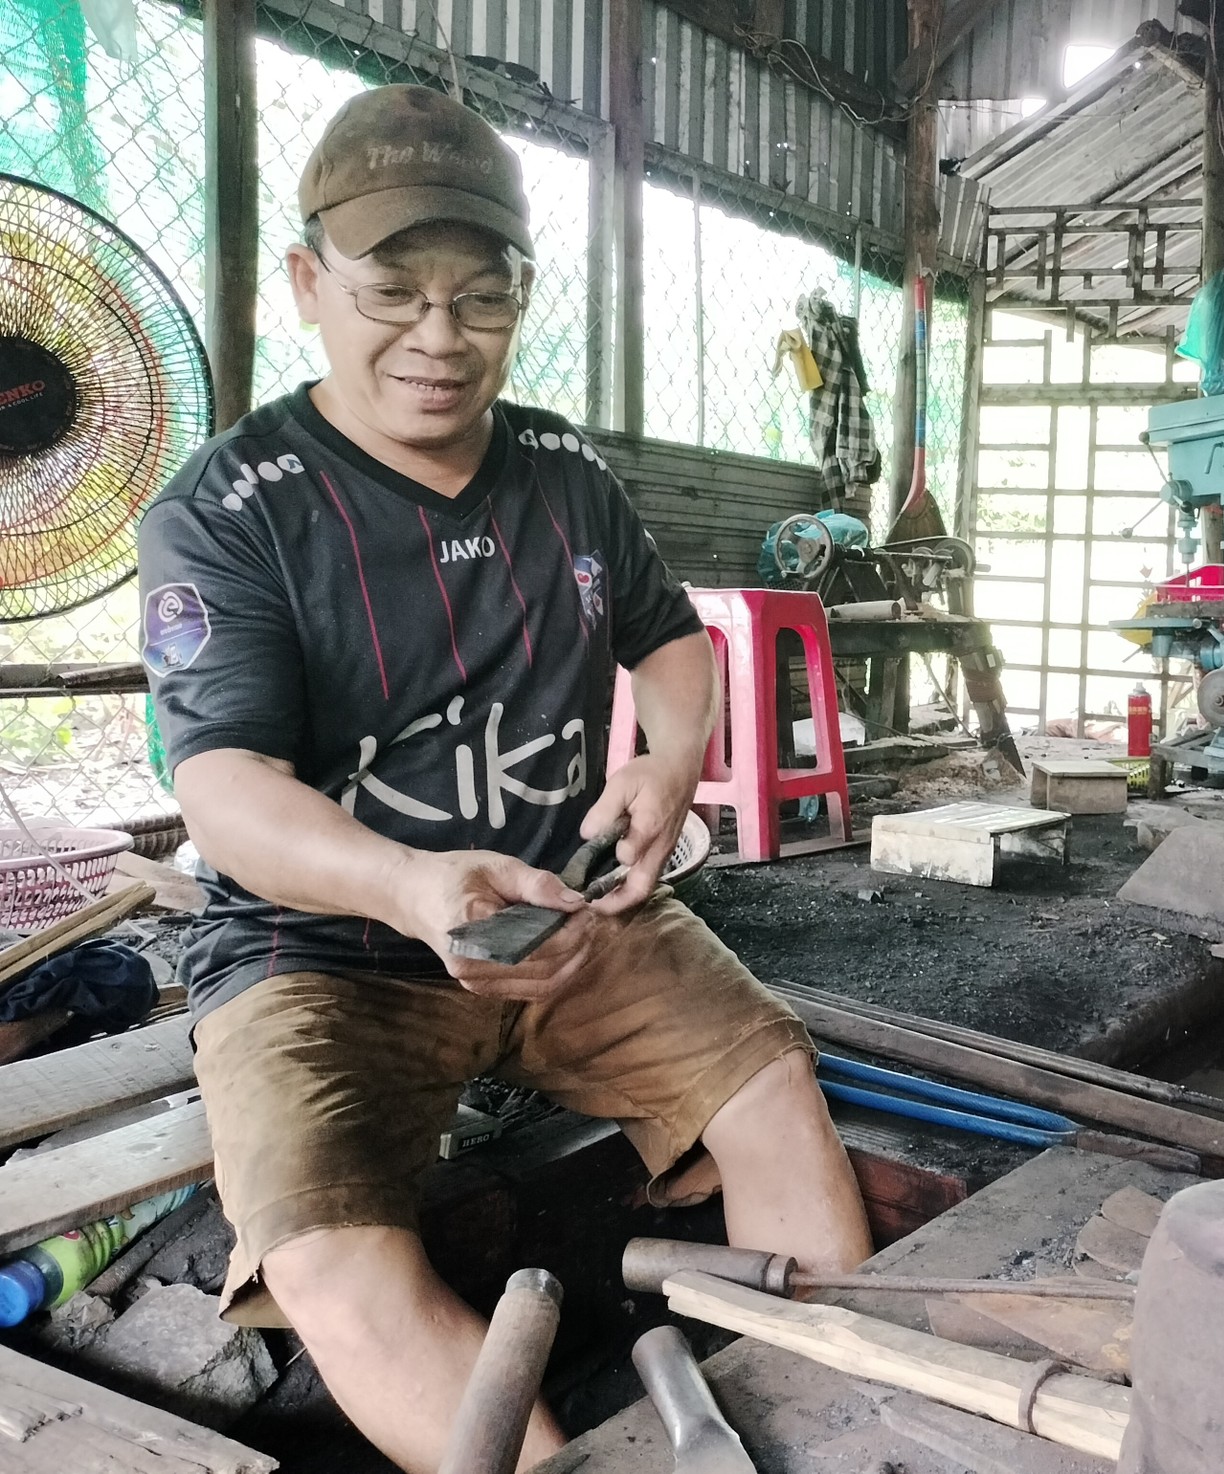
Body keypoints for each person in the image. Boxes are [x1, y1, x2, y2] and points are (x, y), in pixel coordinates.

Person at [137, 83, 871, 1473]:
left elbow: (666, 637)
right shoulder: (231, 514)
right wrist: (408, 884)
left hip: (574, 917)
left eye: (481, 296)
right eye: (394, 290)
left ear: (521, 296)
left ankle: (837, 1421)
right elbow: (223, 785)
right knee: (328, 1254)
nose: (438, 336)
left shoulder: (563, 475)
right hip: (320, 954)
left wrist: (672, 759)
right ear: (307, 282)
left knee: (771, 1084)